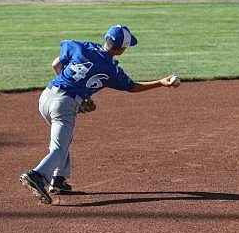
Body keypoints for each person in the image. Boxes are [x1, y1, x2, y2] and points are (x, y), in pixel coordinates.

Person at [20, 24, 180, 205]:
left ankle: (58, 180)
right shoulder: (111, 70)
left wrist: (77, 91)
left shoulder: (82, 46)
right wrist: (161, 82)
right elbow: (133, 87)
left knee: (63, 141)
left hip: (46, 96)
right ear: (121, 49)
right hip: (64, 104)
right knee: (59, 148)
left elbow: (56, 64)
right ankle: (37, 175)